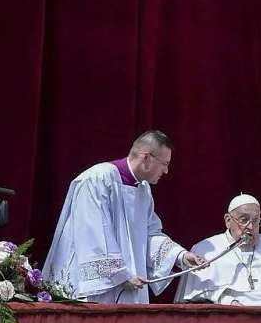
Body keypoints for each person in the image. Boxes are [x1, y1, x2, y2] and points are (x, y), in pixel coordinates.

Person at [43, 130, 205, 303]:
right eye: (164, 163)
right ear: (146, 158)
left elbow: (150, 234)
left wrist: (180, 255)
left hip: (130, 284)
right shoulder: (97, 179)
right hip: (96, 289)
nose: (165, 171)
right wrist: (120, 275)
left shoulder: (143, 190)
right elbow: (92, 233)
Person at [175, 194, 261, 307]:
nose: (251, 226)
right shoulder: (205, 249)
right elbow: (197, 296)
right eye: (244, 220)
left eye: (256, 220)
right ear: (228, 220)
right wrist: (228, 302)